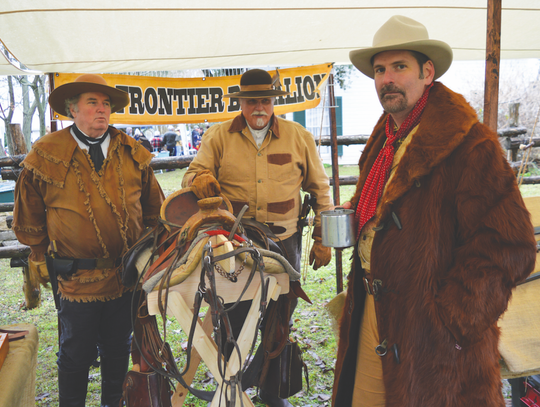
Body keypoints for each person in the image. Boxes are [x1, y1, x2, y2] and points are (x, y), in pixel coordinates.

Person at [331, 15, 537, 407]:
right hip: (372, 310)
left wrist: (450, 323)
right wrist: (358, 213)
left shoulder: (471, 146)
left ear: (427, 72)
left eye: (399, 67)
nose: (387, 78)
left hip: (434, 338)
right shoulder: (386, 137)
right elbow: (391, 204)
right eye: (379, 70)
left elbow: (511, 245)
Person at [182, 68, 333, 407]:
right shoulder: (218, 137)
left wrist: (323, 237)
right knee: (232, 316)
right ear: (241, 104)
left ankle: (271, 390)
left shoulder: (299, 137)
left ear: (273, 102)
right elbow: (191, 175)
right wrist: (200, 180)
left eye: (265, 100)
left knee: (280, 317)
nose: (259, 108)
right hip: (234, 244)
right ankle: (233, 387)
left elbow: (320, 189)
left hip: (285, 242)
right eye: (252, 101)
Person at [12, 73, 165, 407]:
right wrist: (38, 254)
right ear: (72, 109)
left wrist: (149, 256)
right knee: (75, 356)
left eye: (106, 104)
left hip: (125, 278)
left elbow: (155, 212)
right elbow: (29, 217)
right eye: (92, 103)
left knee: (117, 351)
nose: (102, 111)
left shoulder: (132, 152)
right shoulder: (46, 154)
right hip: (74, 280)